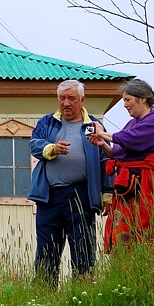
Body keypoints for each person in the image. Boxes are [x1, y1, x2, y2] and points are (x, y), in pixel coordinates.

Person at [28, 79, 112, 286]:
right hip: (50, 196)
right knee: (47, 250)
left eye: (71, 98)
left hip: (81, 195)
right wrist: (52, 149)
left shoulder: (93, 125)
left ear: (82, 100)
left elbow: (105, 160)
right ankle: (43, 297)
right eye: (62, 98)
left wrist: (107, 194)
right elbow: (34, 144)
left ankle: (81, 296)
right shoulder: (47, 122)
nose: (66, 103)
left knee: (83, 250)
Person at [87, 78, 154, 251]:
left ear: (143, 98)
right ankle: (126, 270)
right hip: (129, 188)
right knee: (125, 236)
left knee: (152, 230)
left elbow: (133, 140)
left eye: (127, 99)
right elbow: (119, 153)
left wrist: (103, 134)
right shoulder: (131, 124)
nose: (125, 105)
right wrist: (103, 144)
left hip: (151, 185)